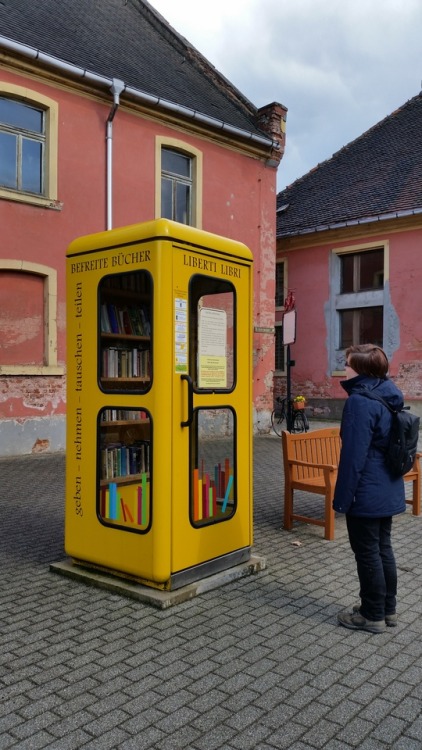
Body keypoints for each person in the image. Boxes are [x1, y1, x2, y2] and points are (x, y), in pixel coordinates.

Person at [333, 344, 406, 634]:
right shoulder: (388, 394)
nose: (345, 368)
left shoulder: (360, 401)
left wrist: (342, 500)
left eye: (348, 364)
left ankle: (371, 614)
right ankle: (387, 609)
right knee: (382, 548)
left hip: (366, 489)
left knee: (367, 552)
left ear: (360, 369)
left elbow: (353, 456)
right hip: (387, 485)